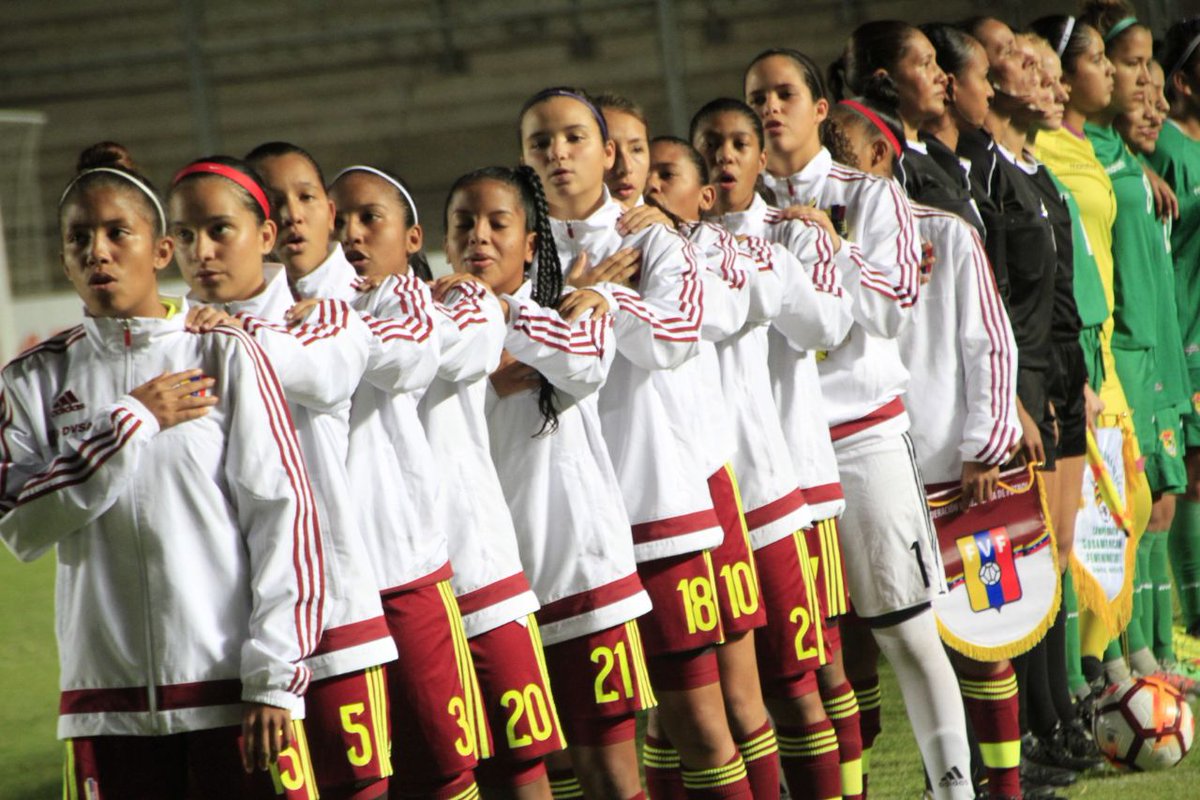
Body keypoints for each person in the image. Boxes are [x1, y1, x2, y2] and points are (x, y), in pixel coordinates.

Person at [2, 146, 324, 798]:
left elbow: (282, 516)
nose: (98, 251)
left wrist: (274, 677)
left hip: (227, 694)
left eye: (118, 232)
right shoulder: (33, 381)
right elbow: (20, 525)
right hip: (104, 704)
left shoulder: (221, 351)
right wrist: (129, 423)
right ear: (64, 259)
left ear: (161, 250)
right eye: (79, 238)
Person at [519, 85, 756, 799]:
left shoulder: (651, 237)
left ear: (606, 151)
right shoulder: (517, 249)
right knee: (592, 758)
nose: (557, 154)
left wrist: (605, 296)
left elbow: (676, 337)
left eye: (572, 138)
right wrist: (574, 299)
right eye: (539, 143)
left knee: (702, 725)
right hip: (569, 535)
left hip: (658, 513)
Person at [823, 96, 1027, 800]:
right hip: (860, 469)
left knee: (981, 638)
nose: (824, 151)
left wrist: (986, 445)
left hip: (951, 469)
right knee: (848, 660)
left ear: (880, 157)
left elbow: (990, 342)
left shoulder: (948, 235)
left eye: (837, 139)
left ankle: (1005, 787)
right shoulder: (808, 243)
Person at [444, 163, 655, 800]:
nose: (479, 237)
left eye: (497, 223)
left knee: (611, 776)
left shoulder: (567, 311)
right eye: (464, 224)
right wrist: (482, 380)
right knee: (534, 776)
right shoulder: (433, 334)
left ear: (531, 244)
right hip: (492, 590)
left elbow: (587, 365)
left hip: (577, 571)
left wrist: (507, 315)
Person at [297, 162, 487, 800]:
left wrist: (317, 330)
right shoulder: (275, 313)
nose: (351, 233)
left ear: (411, 238)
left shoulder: (406, 299)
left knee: (444, 770)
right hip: (320, 587)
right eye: (340, 218)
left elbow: (408, 359)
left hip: (407, 573)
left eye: (368, 218)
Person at [1148, 17, 1200, 645]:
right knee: (1186, 473)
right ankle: (1189, 615)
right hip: (1179, 335)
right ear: (1182, 80)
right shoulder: (1163, 145)